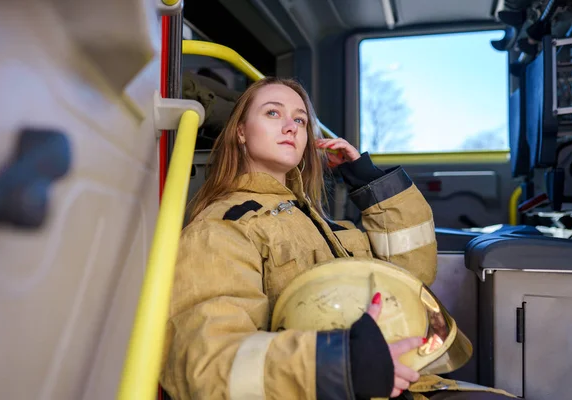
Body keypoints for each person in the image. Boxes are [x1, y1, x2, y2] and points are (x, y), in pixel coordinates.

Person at [159, 77, 515, 400]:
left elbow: (412, 274)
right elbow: (205, 362)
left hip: (391, 379)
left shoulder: (319, 221)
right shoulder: (222, 228)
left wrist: (367, 181)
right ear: (240, 131)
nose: (290, 127)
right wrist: (342, 365)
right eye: (272, 113)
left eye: (300, 120)